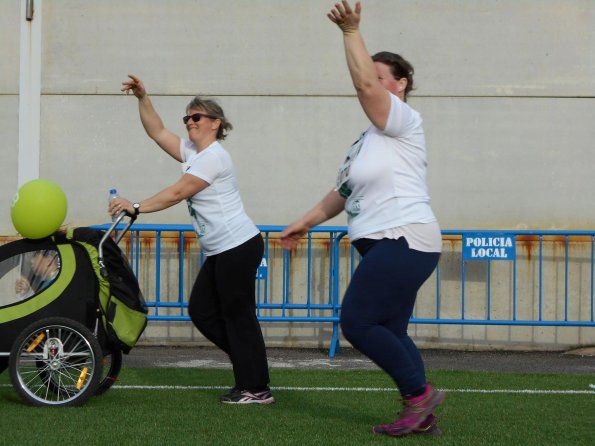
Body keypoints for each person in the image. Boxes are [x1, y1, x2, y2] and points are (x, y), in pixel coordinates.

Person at [280, 0, 444, 436]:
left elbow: (366, 90)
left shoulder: (403, 120)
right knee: (390, 327)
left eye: (379, 74)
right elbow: (343, 192)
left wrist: (351, 32)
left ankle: (418, 395)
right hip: (388, 242)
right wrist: (306, 221)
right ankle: (421, 413)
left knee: (357, 321)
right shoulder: (368, 139)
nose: (368, 79)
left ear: (401, 84)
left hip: (404, 237)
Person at [110, 75, 273, 404]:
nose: (189, 122)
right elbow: (157, 131)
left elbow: (179, 191)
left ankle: (255, 386)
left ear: (215, 123)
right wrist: (143, 96)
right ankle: (251, 366)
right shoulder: (193, 154)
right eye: (186, 118)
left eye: (196, 117)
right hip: (221, 250)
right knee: (201, 311)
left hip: (237, 246)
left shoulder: (213, 157)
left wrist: (137, 206)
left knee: (237, 317)